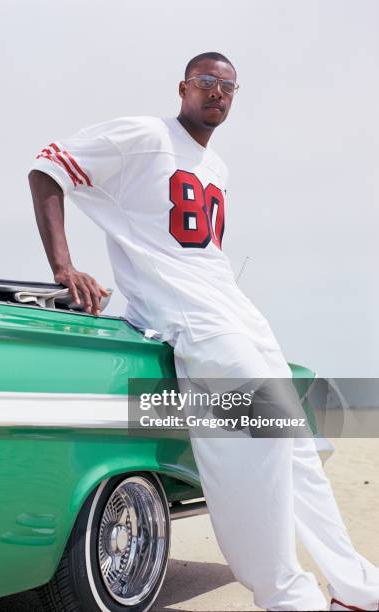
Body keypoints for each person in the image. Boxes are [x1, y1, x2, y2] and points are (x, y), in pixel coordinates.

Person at [28, 52, 379, 611]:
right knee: (257, 447)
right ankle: (286, 596)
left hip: (233, 308)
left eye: (228, 87)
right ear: (183, 87)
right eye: (206, 82)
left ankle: (356, 588)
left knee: (298, 450)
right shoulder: (143, 134)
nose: (218, 93)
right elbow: (48, 167)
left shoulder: (218, 166)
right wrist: (63, 267)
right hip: (188, 315)